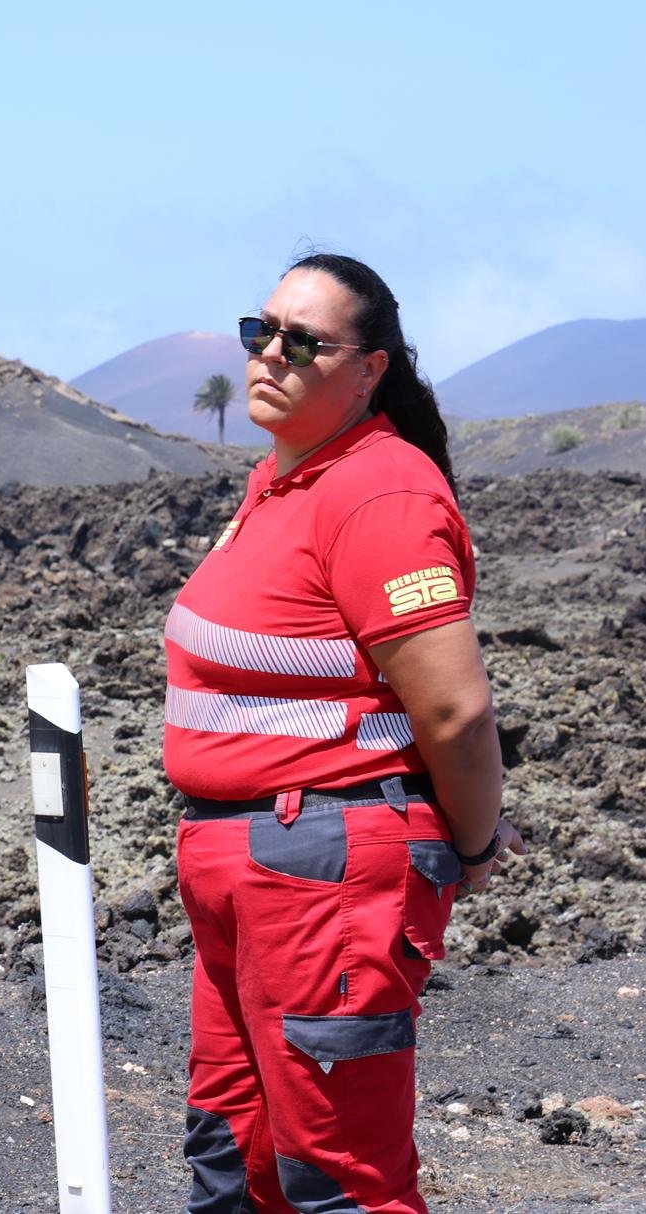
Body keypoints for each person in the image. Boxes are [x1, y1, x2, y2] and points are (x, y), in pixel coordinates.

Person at [165, 253, 527, 1212]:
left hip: (323, 866)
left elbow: (452, 710)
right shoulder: (282, 481)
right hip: (245, 865)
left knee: (334, 1176)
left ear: (368, 371)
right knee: (232, 1154)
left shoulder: (380, 493)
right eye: (259, 332)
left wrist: (474, 846)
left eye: (303, 343)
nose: (268, 354)